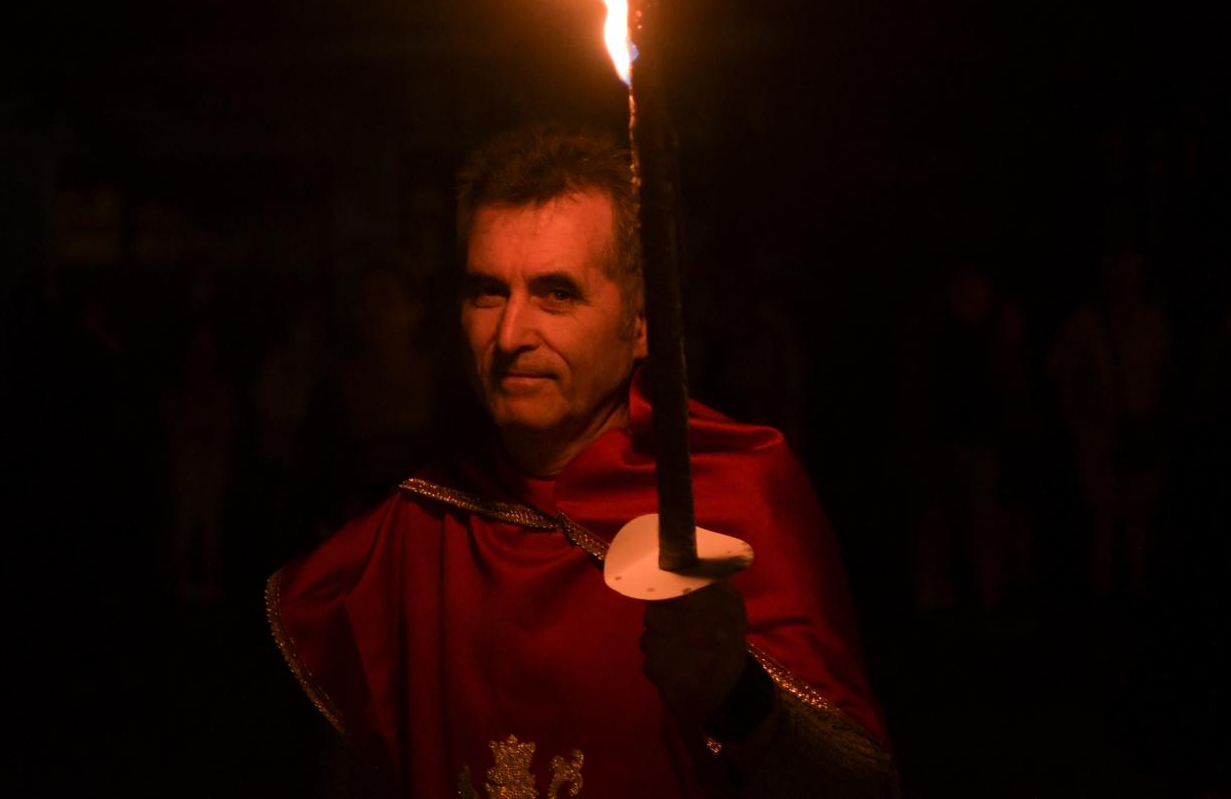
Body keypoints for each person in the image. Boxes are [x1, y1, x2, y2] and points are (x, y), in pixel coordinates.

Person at [267, 127, 898, 797]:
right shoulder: (415, 526)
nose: (510, 335)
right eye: (487, 291)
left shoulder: (735, 494)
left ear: (643, 322)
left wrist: (742, 703)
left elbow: (863, 785)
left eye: (556, 293)